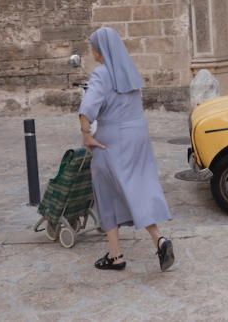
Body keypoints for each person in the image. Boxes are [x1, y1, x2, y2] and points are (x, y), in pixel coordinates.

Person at [78, 27, 174, 272]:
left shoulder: (102, 74)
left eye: (94, 48)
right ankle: (159, 239)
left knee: (106, 191)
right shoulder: (130, 72)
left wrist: (86, 134)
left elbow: (87, 107)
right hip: (138, 136)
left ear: (101, 50)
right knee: (137, 187)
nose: (93, 52)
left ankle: (116, 255)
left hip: (113, 139)